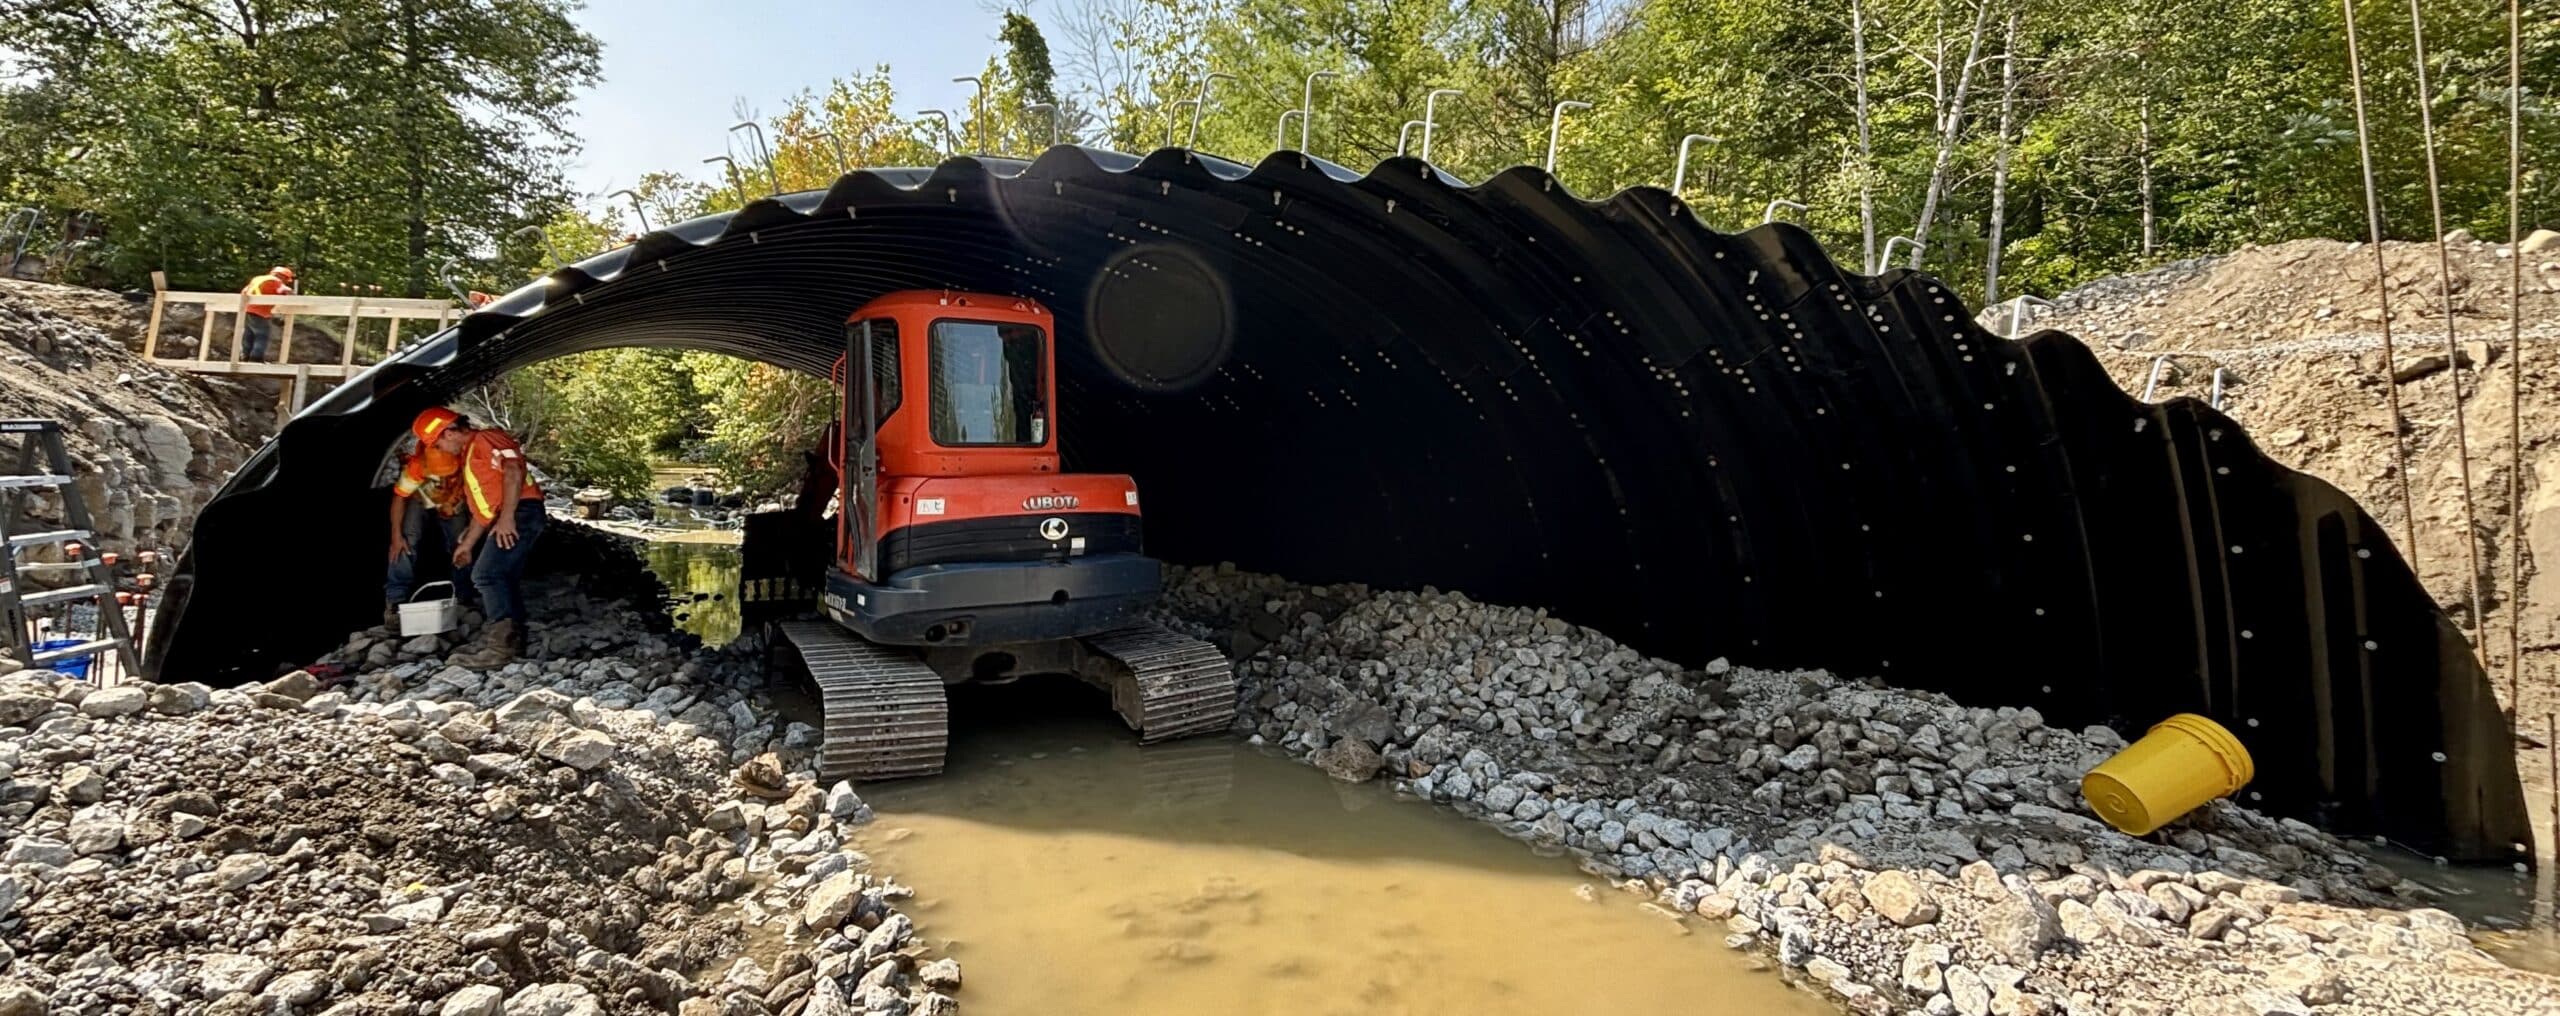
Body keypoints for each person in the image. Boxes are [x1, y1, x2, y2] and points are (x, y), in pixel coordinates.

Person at [413, 407, 546, 666]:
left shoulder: (487, 439)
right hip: (513, 513)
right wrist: (467, 544)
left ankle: (501, 648)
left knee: (487, 575)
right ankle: (512, 643)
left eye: (437, 441)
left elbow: (513, 471)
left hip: (521, 512)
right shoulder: (471, 454)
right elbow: (484, 512)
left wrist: (508, 517)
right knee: (503, 576)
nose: (439, 447)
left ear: (450, 432)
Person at [383, 427, 474, 630]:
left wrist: (472, 526)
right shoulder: (416, 466)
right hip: (420, 496)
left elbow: (479, 494)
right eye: (436, 475)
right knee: (406, 542)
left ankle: (464, 598)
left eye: (444, 475)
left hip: (453, 500)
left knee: (461, 543)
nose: (440, 479)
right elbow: (400, 498)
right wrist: (396, 536)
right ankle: (395, 602)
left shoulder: (466, 457)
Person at [239, 266, 295, 361]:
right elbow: (286, 290)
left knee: (249, 334)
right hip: (259, 311)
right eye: (286, 279)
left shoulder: (257, 279)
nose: (285, 282)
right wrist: (293, 298)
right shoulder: (275, 280)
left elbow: (244, 292)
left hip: (248, 309)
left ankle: (244, 356)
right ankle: (256, 358)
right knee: (262, 335)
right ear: (281, 276)